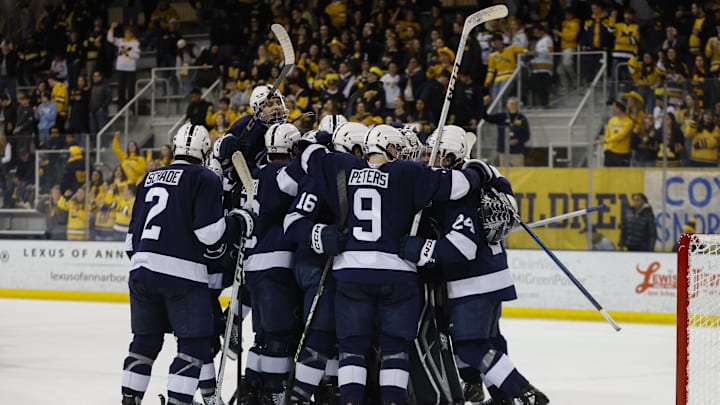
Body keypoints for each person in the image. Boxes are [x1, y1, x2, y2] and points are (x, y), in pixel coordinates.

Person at [295, 124, 495, 404]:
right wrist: (482, 171)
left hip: (351, 272)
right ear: (389, 148)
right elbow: (458, 186)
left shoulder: (343, 166)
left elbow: (306, 154)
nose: (402, 153)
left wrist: (321, 139)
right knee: (395, 349)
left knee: (352, 347)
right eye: (398, 149)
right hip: (398, 275)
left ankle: (350, 400)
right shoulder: (408, 172)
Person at [399, 127, 550, 405]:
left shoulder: (459, 193)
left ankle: (524, 393)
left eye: (436, 155)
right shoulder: (481, 181)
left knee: (471, 347)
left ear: (450, 157)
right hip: (492, 276)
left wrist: (420, 249)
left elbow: (462, 247)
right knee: (491, 342)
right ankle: (503, 396)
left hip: (473, 281)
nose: (428, 160)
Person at [120, 123, 255, 405]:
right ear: (205, 152)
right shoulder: (204, 177)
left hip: (141, 271)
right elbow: (209, 234)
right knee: (194, 346)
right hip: (183, 276)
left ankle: (129, 401)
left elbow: (130, 243)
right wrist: (239, 221)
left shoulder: (149, 177)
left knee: (144, 343)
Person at [481, 95, 530, 167]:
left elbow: (527, 135)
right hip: (504, 151)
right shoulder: (501, 116)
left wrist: (518, 140)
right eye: (511, 104)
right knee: (504, 174)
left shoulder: (522, 118)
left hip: (517, 152)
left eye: (515, 104)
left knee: (519, 174)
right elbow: (486, 117)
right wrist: (485, 105)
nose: (513, 106)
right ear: (507, 105)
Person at [107, 22, 141, 107]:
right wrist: (112, 28)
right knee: (120, 88)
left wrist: (126, 52)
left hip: (130, 68)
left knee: (130, 89)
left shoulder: (135, 43)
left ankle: (131, 107)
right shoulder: (121, 41)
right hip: (121, 67)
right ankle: (121, 106)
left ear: (132, 33)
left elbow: (137, 56)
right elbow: (110, 39)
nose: (127, 34)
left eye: (129, 33)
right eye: (126, 33)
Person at [601, 100, 633, 167]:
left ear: (620, 108)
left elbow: (620, 136)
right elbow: (607, 134)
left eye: (615, 107)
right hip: (610, 153)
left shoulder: (629, 122)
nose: (613, 109)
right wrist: (606, 148)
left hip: (622, 153)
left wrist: (605, 141)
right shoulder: (612, 120)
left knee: (622, 176)